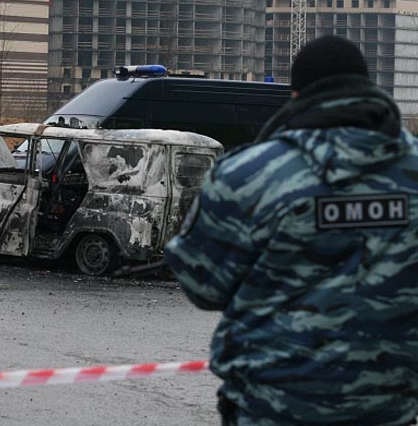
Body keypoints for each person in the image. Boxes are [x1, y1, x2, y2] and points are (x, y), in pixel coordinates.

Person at [165, 35, 418, 426]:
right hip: (391, 409)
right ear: (368, 88)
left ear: (296, 93)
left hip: (272, 408)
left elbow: (203, 285)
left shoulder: (247, 175)